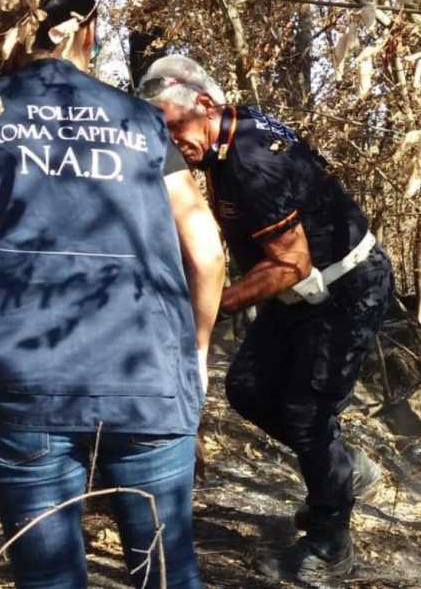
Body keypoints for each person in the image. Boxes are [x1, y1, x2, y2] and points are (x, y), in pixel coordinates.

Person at [0, 0, 224, 589]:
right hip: (147, 369)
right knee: (168, 575)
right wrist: (198, 349)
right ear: (85, 31)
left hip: (22, 377)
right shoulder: (144, 121)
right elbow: (205, 247)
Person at [138, 56, 393, 583]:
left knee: (307, 413)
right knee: (250, 389)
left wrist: (214, 302)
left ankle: (330, 542)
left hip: (344, 287)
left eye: (171, 126)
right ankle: (341, 471)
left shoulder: (253, 161)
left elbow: (290, 261)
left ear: (205, 106)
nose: (168, 143)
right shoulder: (230, 135)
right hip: (300, 291)